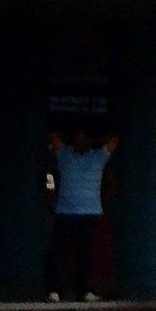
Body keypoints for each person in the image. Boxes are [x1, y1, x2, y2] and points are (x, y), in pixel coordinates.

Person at [49, 125, 117, 301]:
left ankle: (84, 291)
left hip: (89, 213)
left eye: (83, 139)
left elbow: (114, 140)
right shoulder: (64, 154)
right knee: (61, 254)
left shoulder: (98, 157)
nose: (79, 143)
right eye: (76, 139)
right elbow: (53, 135)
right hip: (65, 211)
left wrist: (94, 141)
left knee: (85, 255)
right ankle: (57, 290)